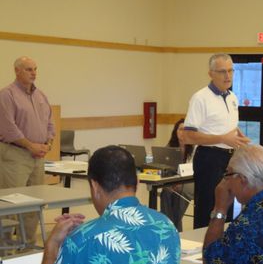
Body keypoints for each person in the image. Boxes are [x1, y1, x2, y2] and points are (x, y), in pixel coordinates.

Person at [42, 145, 180, 264]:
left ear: (95, 187)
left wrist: (52, 246)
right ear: (137, 182)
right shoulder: (167, 225)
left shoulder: (82, 239)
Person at [182, 53, 250, 229]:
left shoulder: (233, 97)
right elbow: (188, 136)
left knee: (227, 206)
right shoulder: (200, 98)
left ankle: (223, 249)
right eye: (222, 72)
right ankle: (202, 249)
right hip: (209, 158)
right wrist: (222, 138)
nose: (228, 76)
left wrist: (239, 137)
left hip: (230, 159)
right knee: (208, 208)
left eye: (230, 71)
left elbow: (227, 126)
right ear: (211, 74)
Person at [0, 56, 55, 244]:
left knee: (34, 203)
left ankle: (28, 245)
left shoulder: (41, 96)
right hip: (15, 156)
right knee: (11, 203)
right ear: (17, 70)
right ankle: (5, 247)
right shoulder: (7, 95)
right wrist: (31, 146)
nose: (33, 73)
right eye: (29, 69)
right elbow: (8, 127)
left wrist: (48, 143)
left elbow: (50, 122)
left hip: (38, 158)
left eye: (35, 69)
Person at [160, 118, 194, 231]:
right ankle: (170, 225)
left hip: (191, 181)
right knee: (167, 191)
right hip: (174, 180)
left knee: (181, 190)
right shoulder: (170, 146)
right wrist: (173, 182)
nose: (182, 132)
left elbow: (192, 170)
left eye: (185, 130)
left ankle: (171, 227)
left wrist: (180, 182)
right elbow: (165, 168)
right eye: (180, 129)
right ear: (175, 131)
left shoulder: (194, 148)